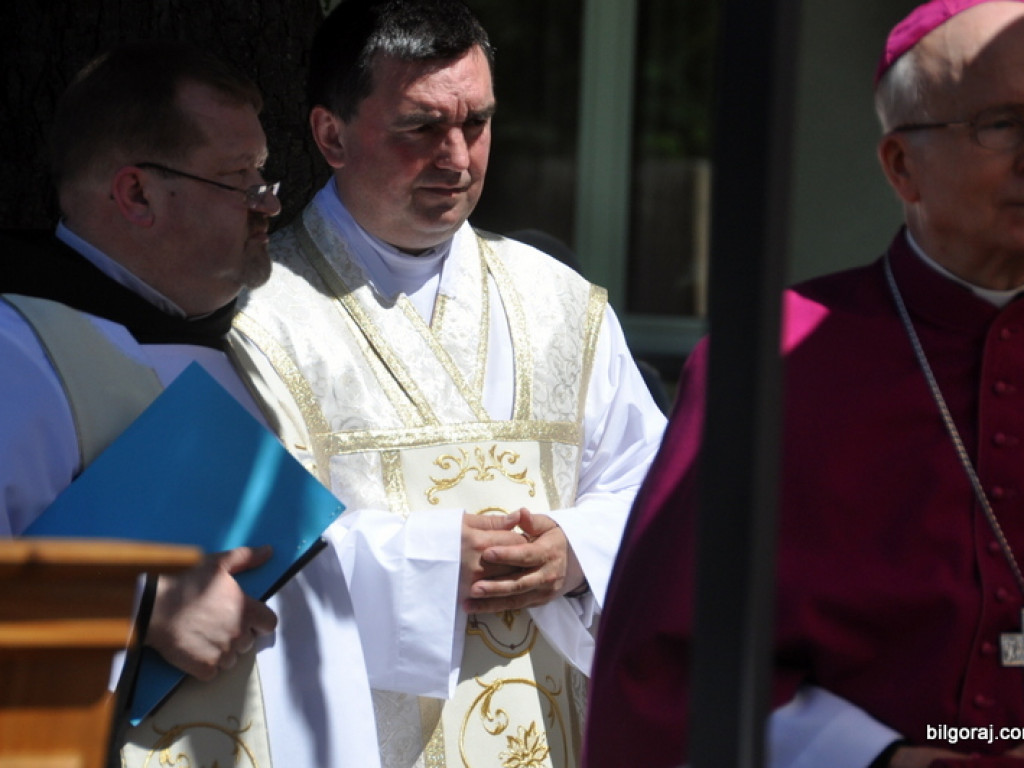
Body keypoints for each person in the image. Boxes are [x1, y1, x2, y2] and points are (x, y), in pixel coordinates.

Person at [583, 1, 1024, 767]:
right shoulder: (768, 361)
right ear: (901, 167)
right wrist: (869, 755)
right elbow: (661, 669)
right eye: (1001, 122)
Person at [235, 0, 668, 765]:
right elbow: (248, 544)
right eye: (422, 127)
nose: (459, 158)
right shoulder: (257, 313)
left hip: (552, 721)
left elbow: (656, 487)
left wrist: (577, 551)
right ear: (332, 134)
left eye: (477, 124)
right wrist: (430, 565)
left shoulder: (562, 304)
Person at [0, 42, 380, 767]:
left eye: (263, 175)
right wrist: (139, 603)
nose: (269, 204)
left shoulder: (247, 350)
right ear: (136, 194)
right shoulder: (19, 353)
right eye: (239, 180)